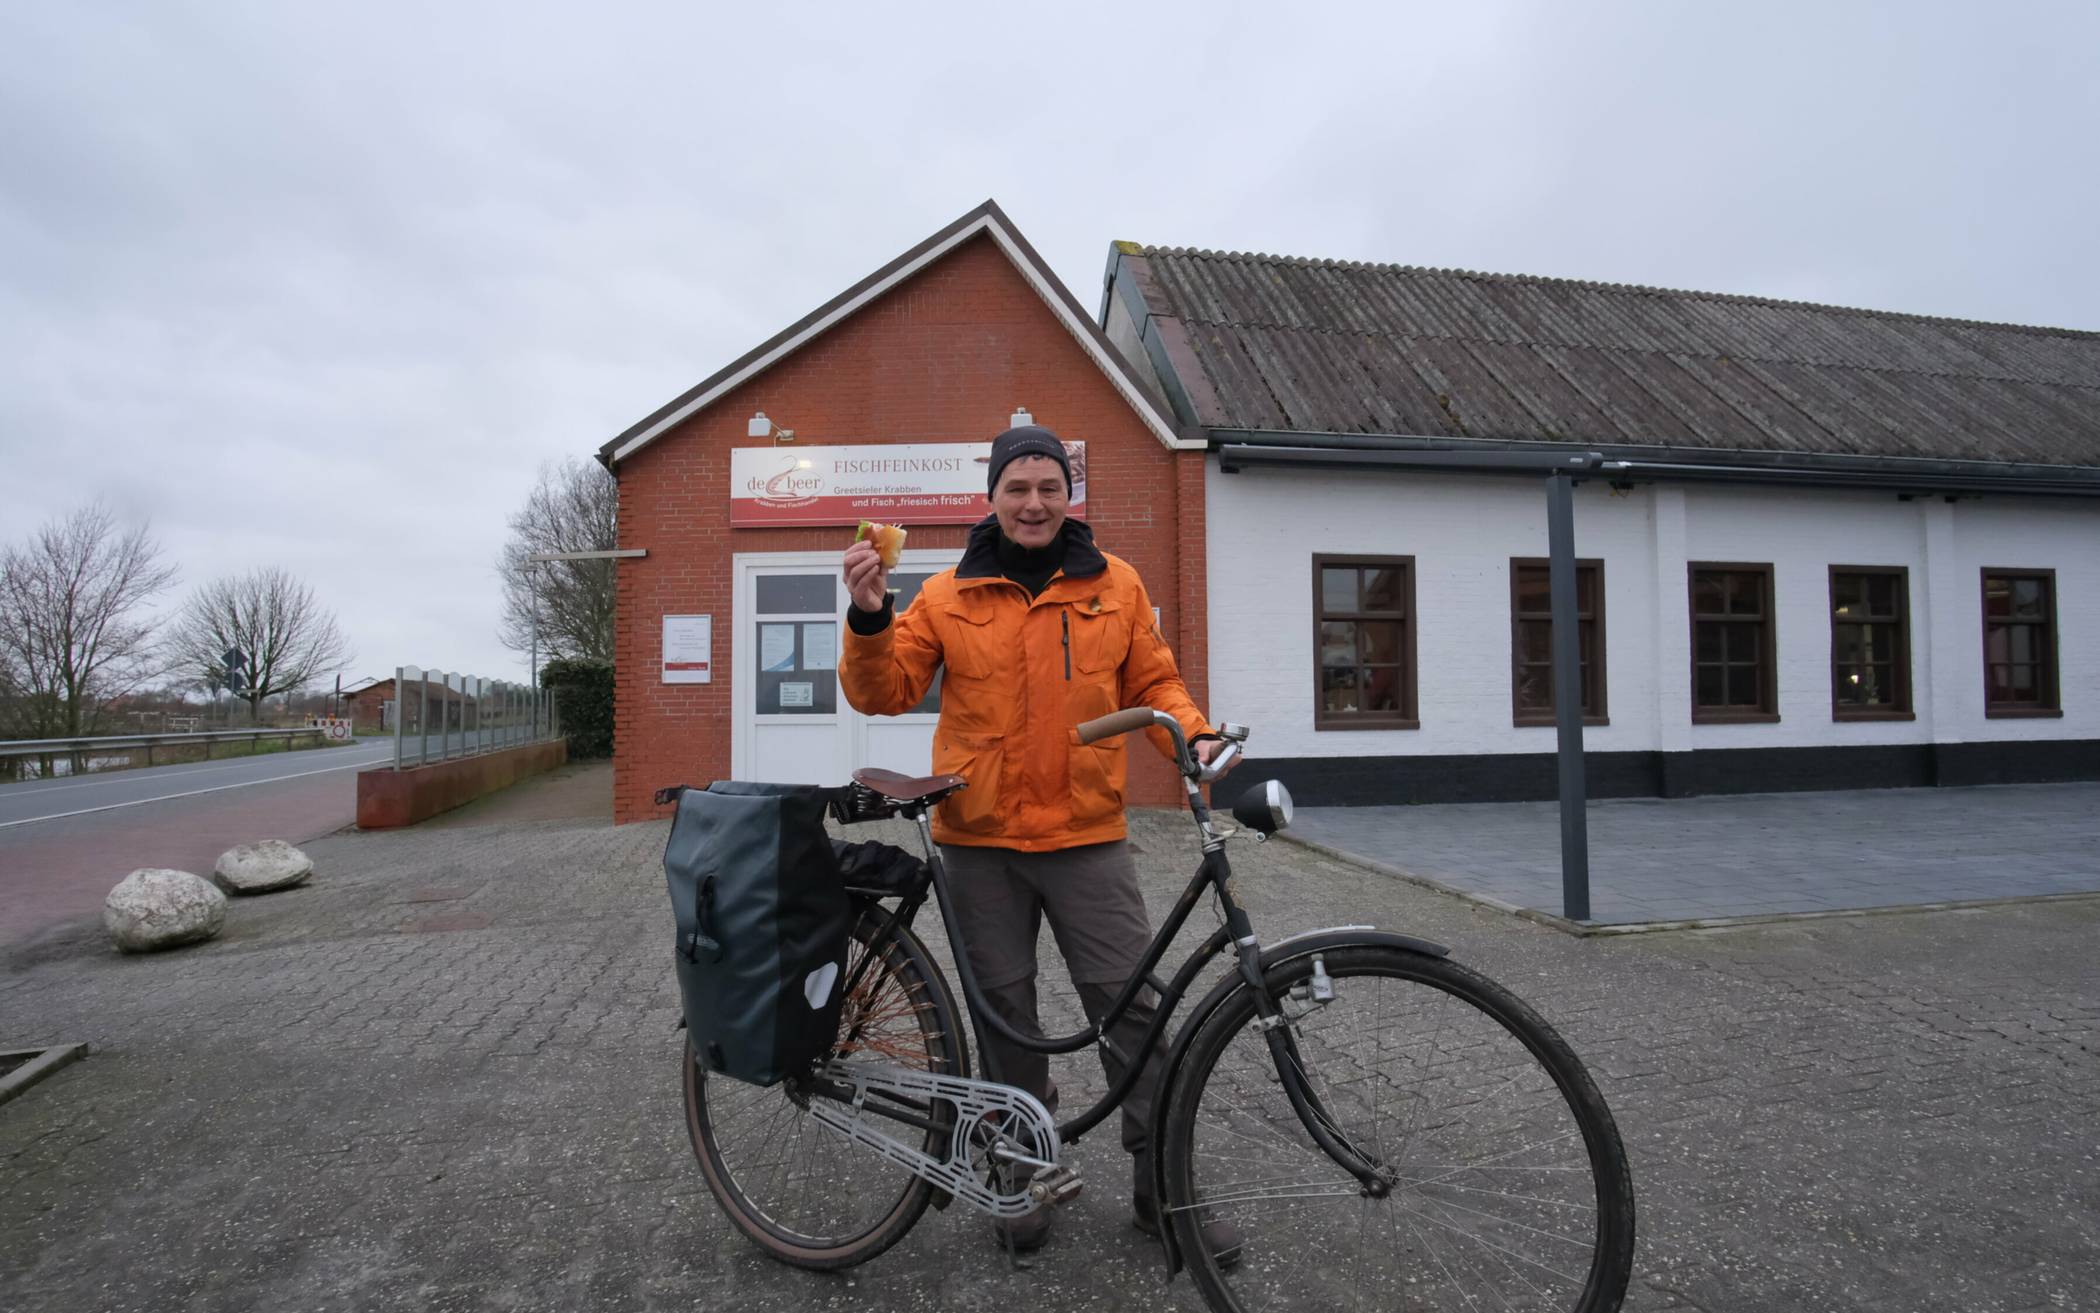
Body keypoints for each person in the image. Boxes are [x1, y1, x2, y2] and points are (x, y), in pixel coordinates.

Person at [840, 424, 1242, 1264]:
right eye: (1017, 488)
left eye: (1048, 488)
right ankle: (1017, 1172)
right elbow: (883, 690)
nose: (1033, 503)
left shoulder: (1116, 585)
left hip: (1086, 833)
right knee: (1006, 1020)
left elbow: (1155, 682)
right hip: (979, 840)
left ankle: (1162, 1187)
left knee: (1134, 1010)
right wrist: (870, 614)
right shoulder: (949, 594)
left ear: (1069, 497)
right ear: (991, 497)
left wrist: (1192, 736)